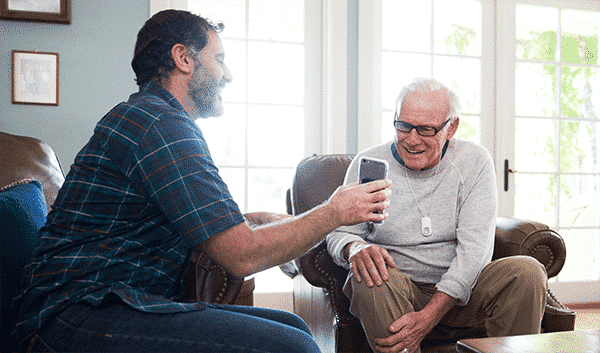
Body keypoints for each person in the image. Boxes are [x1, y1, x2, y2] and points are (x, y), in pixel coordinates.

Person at [9, 10, 392, 353]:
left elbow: (160, 220)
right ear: (184, 58)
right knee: (291, 345)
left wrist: (248, 220)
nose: (227, 74)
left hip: (110, 303)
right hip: (74, 314)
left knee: (292, 324)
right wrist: (336, 210)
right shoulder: (161, 125)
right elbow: (242, 255)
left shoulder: (151, 118)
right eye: (219, 59)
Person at [326, 77, 548, 353]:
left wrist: (428, 317)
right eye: (403, 126)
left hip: (463, 295)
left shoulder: (474, 161)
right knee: (369, 276)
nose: (412, 139)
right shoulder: (368, 164)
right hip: (397, 290)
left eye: (426, 130)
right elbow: (339, 231)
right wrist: (354, 247)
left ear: (451, 127)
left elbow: (475, 251)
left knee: (527, 271)